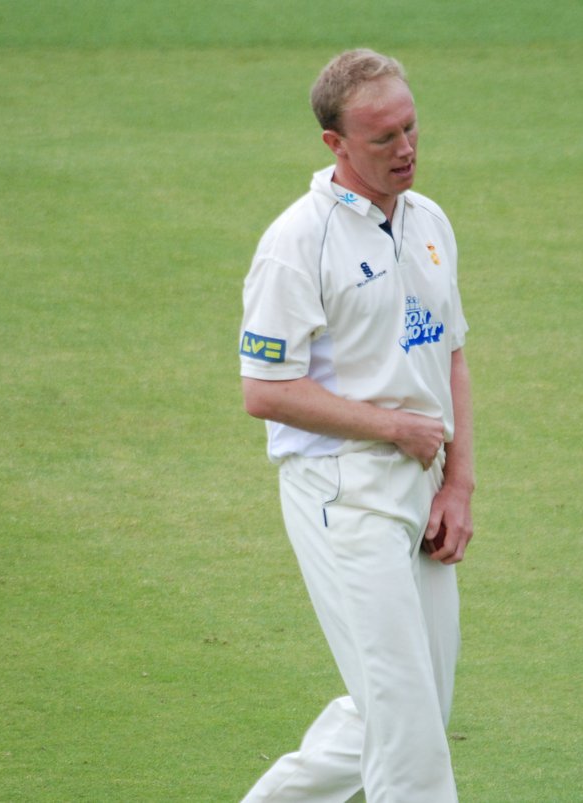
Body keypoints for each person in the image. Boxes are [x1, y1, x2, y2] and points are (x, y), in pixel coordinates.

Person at [237, 48, 475, 803]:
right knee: (406, 729)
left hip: (422, 484)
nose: (405, 149)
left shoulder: (429, 219)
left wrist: (458, 482)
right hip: (343, 490)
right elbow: (265, 390)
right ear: (335, 145)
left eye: (410, 129)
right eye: (382, 138)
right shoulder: (295, 243)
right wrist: (393, 428)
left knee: (411, 707)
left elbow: (452, 355)